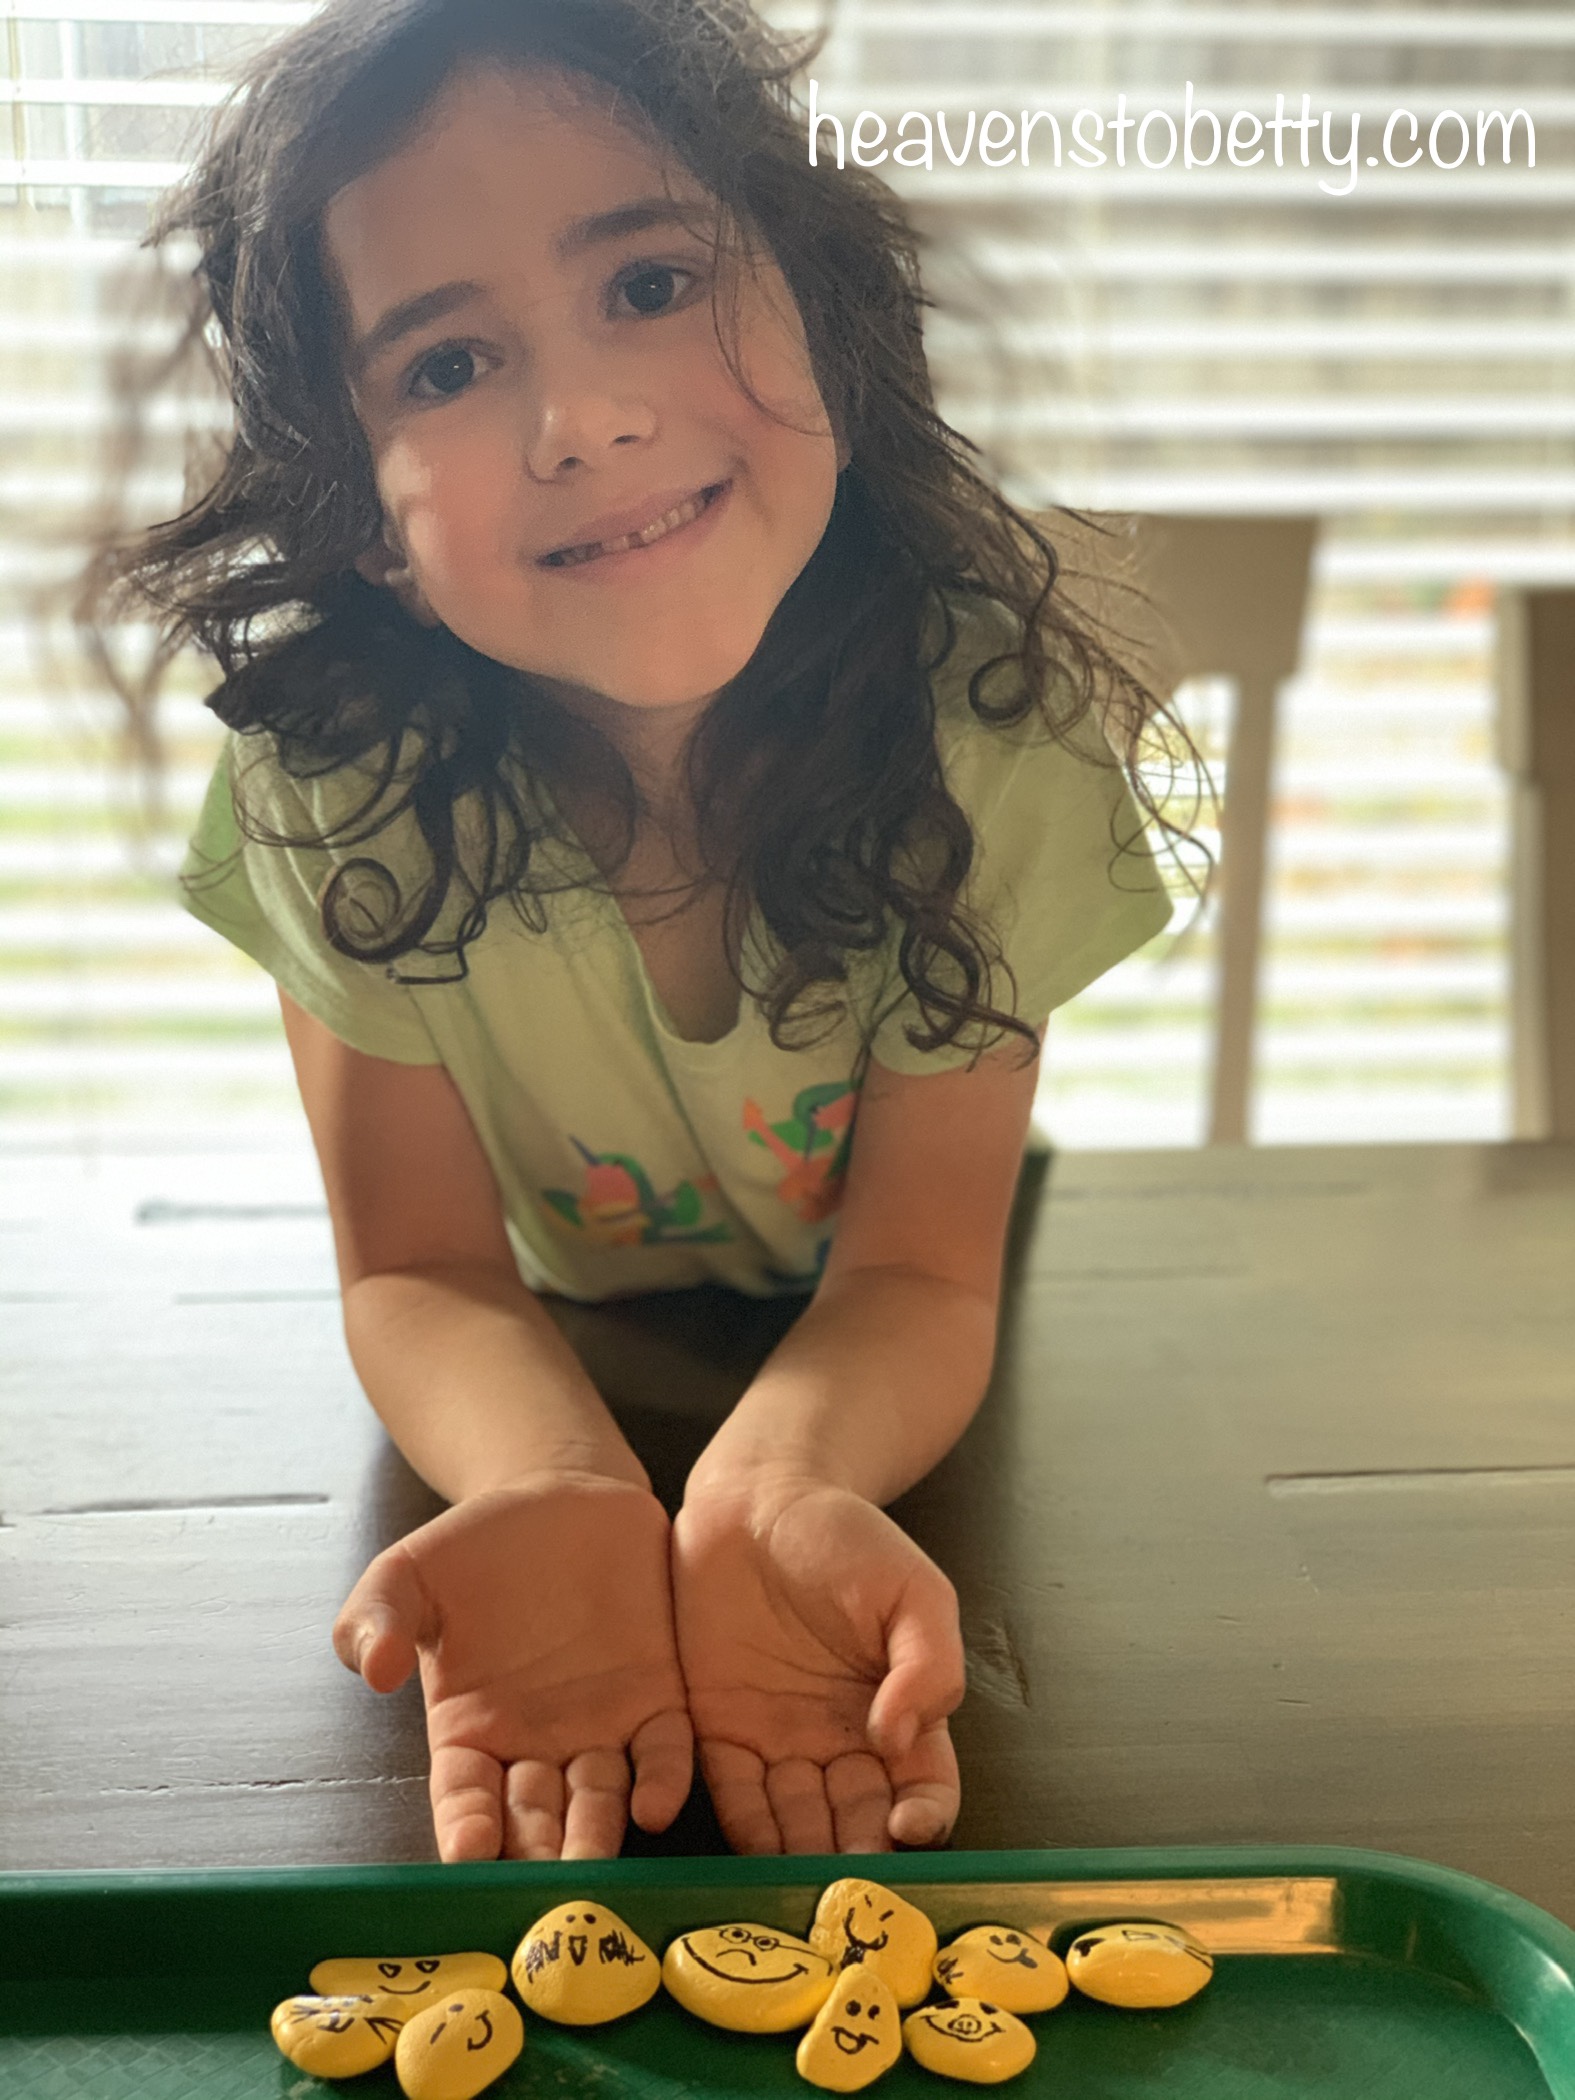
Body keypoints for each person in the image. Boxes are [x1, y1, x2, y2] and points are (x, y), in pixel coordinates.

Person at [82, 0, 1179, 1864]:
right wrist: (554, 1476)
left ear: (826, 314)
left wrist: (778, 1483)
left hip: (902, 1337)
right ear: (367, 521)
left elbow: (921, 1272)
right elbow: (420, 1268)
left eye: (652, 282)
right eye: (446, 365)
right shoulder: (330, 785)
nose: (582, 418)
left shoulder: (993, 743)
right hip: (553, 1328)